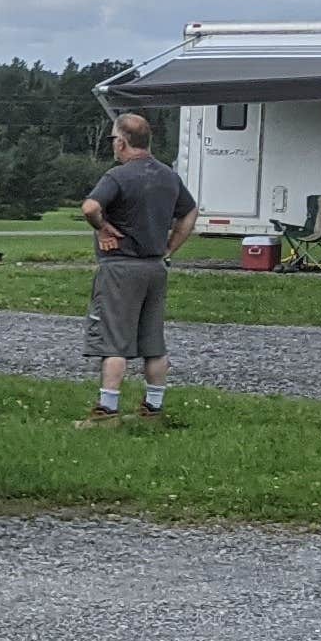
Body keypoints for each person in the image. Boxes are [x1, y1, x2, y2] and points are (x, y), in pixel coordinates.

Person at [80, 111, 198, 421]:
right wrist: (171, 246)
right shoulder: (168, 176)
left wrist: (103, 227)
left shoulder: (118, 175)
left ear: (121, 142)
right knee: (153, 342)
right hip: (155, 268)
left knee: (114, 342)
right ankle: (153, 409)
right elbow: (190, 212)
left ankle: (107, 410)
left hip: (120, 267)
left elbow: (91, 207)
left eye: (112, 139)